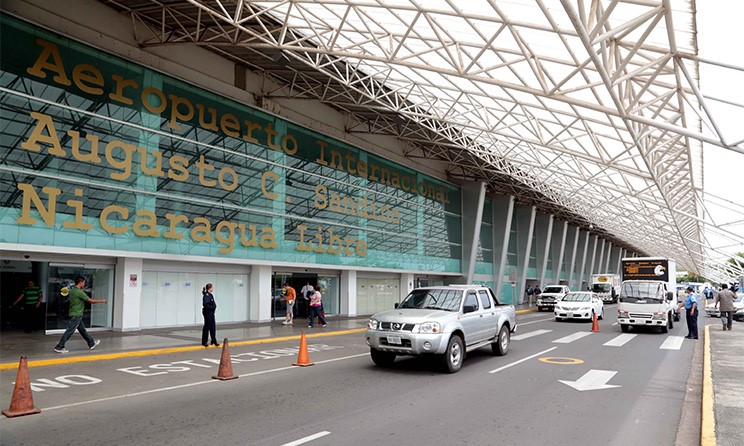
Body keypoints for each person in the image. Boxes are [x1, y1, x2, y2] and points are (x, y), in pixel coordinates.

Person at [53, 277, 106, 353]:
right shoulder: (79, 292)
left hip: (75, 313)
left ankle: (91, 343)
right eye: (84, 283)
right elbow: (91, 301)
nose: (84, 284)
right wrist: (102, 301)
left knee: (82, 330)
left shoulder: (73, 291)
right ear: (80, 282)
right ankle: (59, 347)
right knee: (69, 331)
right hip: (76, 314)